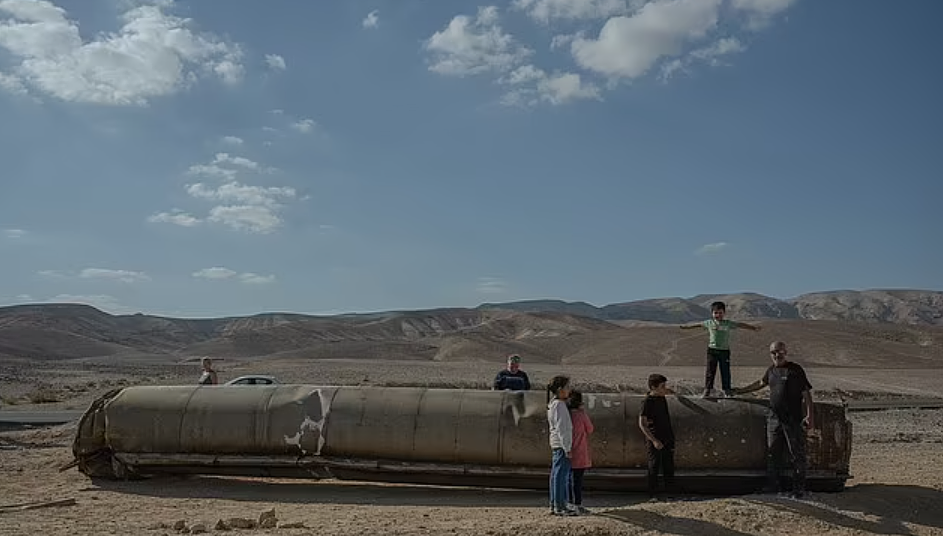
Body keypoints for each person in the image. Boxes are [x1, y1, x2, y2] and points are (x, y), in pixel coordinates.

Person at [733, 341, 816, 498]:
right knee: (773, 453)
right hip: (774, 418)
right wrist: (740, 391)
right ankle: (773, 486)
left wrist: (810, 416)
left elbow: (806, 393)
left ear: (786, 352)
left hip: (792, 418)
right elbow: (760, 383)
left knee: (796, 453)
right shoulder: (771, 370)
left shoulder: (795, 370)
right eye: (773, 352)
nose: (777, 355)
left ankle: (798, 488)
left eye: (780, 351)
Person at [680, 301, 761, 397]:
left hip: (724, 351)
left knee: (725, 371)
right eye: (715, 313)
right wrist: (686, 327)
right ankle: (707, 390)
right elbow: (698, 325)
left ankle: (727, 390)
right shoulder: (709, 323)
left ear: (724, 313)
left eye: (720, 313)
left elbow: (740, 325)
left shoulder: (728, 323)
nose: (718, 315)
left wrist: (753, 328)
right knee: (710, 371)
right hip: (712, 350)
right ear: (712, 313)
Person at [638, 373, 676, 500]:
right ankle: (652, 495)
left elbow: (669, 392)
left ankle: (670, 493)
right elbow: (642, 424)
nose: (665, 389)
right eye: (662, 386)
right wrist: (654, 440)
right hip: (655, 437)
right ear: (653, 387)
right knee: (654, 466)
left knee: (668, 466)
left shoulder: (661, 396)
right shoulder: (647, 402)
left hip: (667, 436)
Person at [546, 375, 577, 516]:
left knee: (556, 474)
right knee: (560, 476)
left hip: (558, 444)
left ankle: (556, 504)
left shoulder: (554, 404)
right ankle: (559, 505)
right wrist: (567, 447)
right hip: (561, 445)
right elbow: (562, 428)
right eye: (567, 387)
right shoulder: (559, 405)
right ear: (560, 390)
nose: (569, 390)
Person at [567, 390, 594, 515]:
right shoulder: (581, 415)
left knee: (568, 478)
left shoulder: (566, 414)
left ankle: (569, 503)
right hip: (580, 451)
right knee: (577, 480)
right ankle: (578, 504)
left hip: (567, 450)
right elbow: (590, 429)